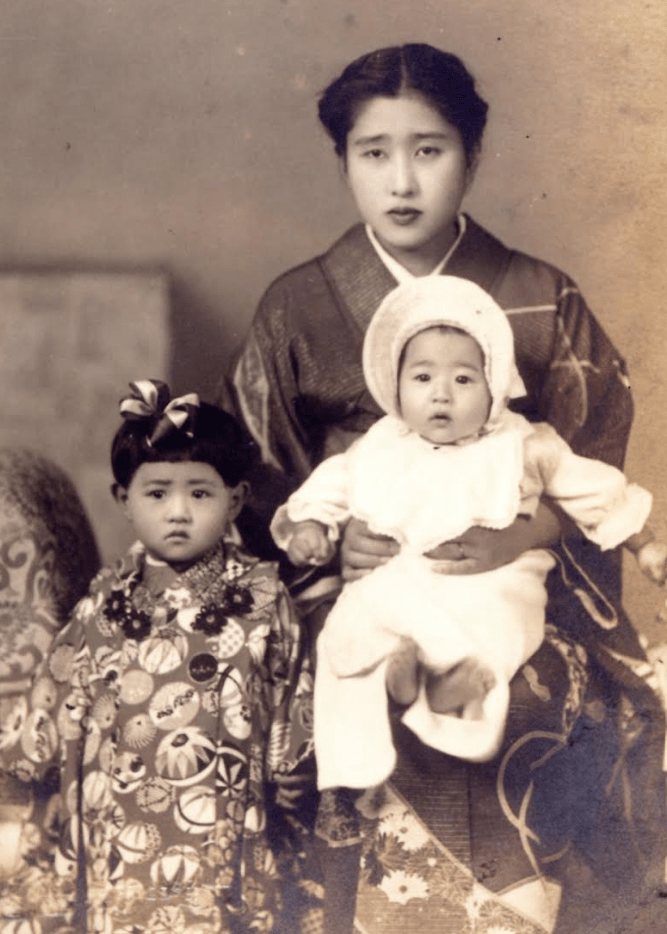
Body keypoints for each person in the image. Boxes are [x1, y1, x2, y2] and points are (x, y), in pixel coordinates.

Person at [223, 43, 667, 934]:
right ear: (342, 160)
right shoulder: (295, 308)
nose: (401, 181)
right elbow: (262, 484)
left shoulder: (542, 296)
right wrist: (322, 545)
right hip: (351, 595)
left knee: (548, 700)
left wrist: (521, 537)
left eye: (429, 150)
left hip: (519, 585)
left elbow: (590, 467)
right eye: (372, 152)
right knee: (332, 692)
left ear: (472, 155)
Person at [270, 274, 667, 793]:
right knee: (346, 636)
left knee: (495, 627)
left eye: (463, 379)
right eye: (422, 378)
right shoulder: (380, 445)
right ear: (394, 385)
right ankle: (396, 689)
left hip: (491, 583)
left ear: (493, 384)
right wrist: (308, 527)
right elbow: (329, 488)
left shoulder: (522, 444)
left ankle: (451, 690)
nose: (441, 394)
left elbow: (599, 490)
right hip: (398, 580)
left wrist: (647, 545)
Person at [0, 380, 314, 934]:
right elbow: (53, 697)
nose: (177, 512)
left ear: (235, 499)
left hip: (220, 810)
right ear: (123, 500)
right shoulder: (103, 601)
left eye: (199, 494)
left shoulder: (263, 598)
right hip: (112, 812)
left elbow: (292, 690)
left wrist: (293, 768)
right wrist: (28, 752)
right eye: (156, 493)